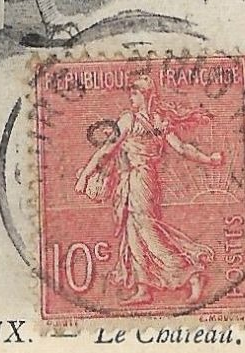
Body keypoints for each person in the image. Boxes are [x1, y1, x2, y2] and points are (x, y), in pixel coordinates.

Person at [73, 74, 225, 303]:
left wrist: (85, 176)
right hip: (139, 179)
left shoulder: (133, 120)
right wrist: (209, 159)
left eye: (134, 93)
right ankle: (143, 288)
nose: (130, 97)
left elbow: (107, 151)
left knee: (147, 231)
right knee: (133, 233)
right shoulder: (157, 121)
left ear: (145, 95)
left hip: (141, 180)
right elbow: (180, 148)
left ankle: (191, 274)